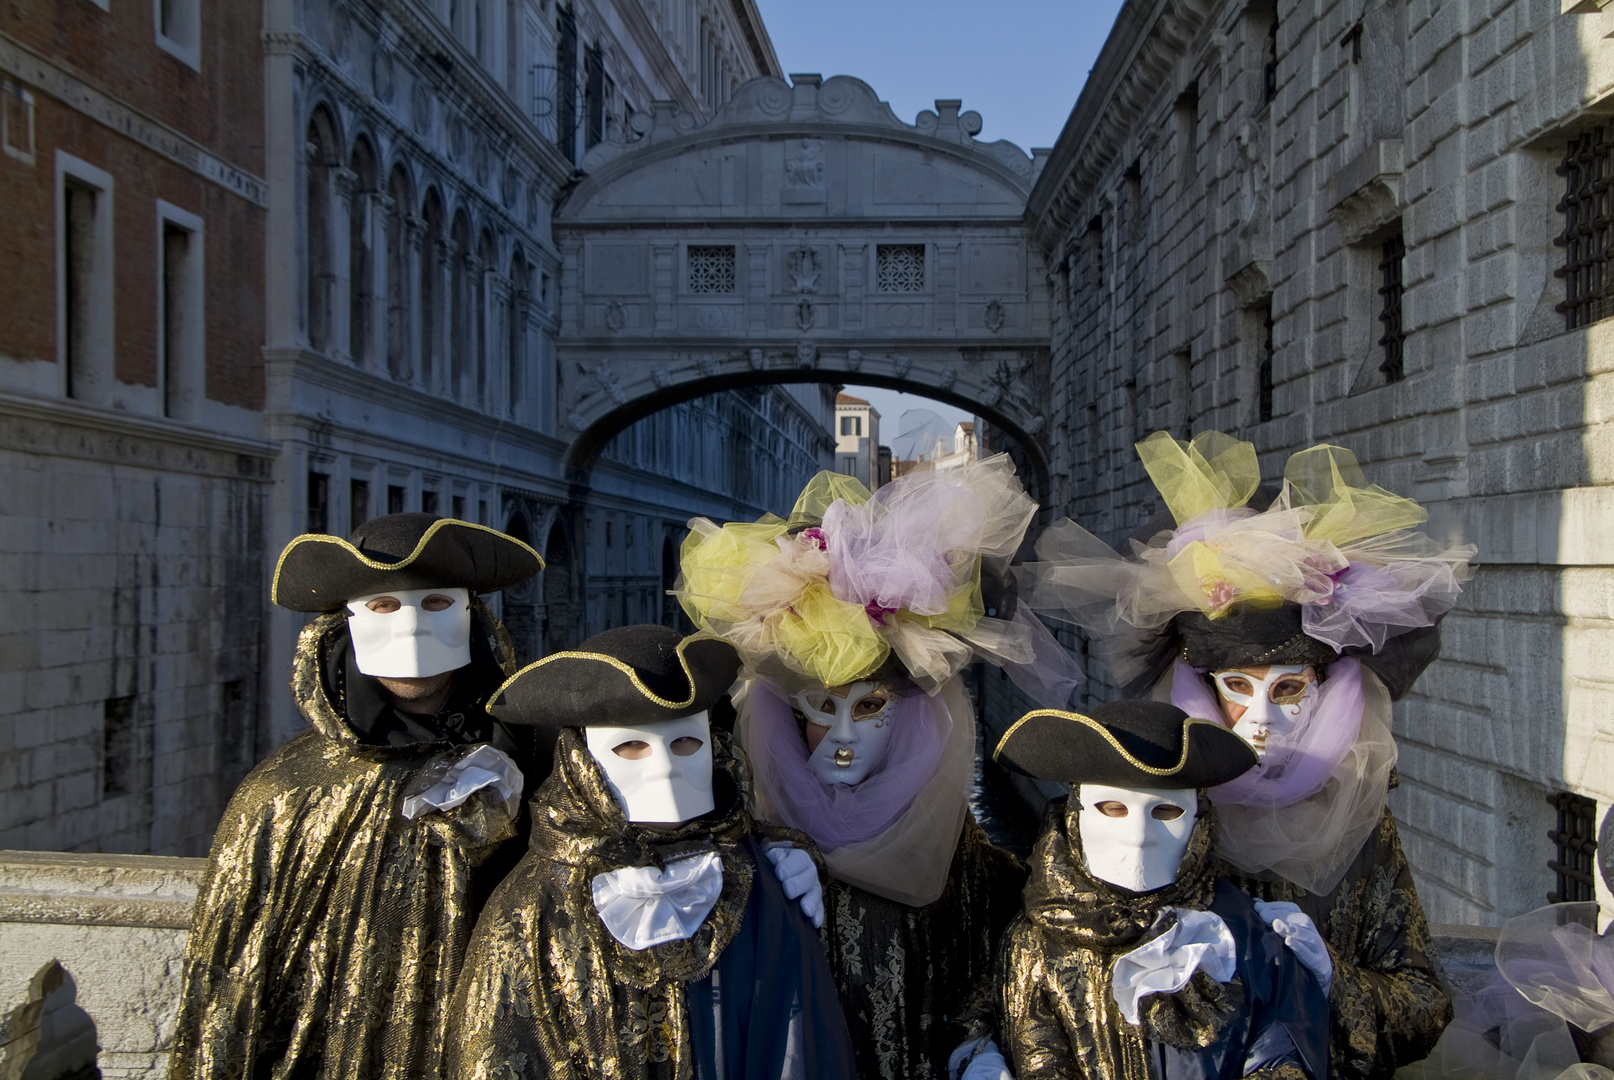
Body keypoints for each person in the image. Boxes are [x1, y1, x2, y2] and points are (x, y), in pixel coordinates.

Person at [1020, 431, 1477, 1080]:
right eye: (1238, 688)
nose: (1260, 721)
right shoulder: (1155, 796)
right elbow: (1052, 944)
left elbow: (1424, 1004)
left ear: (1325, 688)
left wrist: (1324, 969)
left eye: (1288, 689)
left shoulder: (1356, 822)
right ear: (1202, 686)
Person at [674, 458, 1084, 1080]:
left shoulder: (962, 859)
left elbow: (992, 974)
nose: (843, 735)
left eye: (869, 708)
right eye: (821, 708)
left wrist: (978, 1045)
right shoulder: (735, 846)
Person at [168, 513, 544, 1080]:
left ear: (473, 619)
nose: (412, 627)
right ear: (340, 627)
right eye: (384, 606)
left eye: (436, 604)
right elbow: (231, 987)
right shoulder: (285, 794)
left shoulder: (537, 761)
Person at [444, 624, 859, 1080]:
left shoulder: (758, 880)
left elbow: (797, 1041)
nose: (664, 769)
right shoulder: (531, 907)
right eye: (631, 746)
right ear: (583, 764)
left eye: (685, 742)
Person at [986, 699, 1330, 1080]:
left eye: (1166, 811)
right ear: (1074, 816)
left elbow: (1280, 1059)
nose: (1139, 837)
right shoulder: (1035, 944)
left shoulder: (1245, 934)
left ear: (1200, 822)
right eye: (1113, 808)